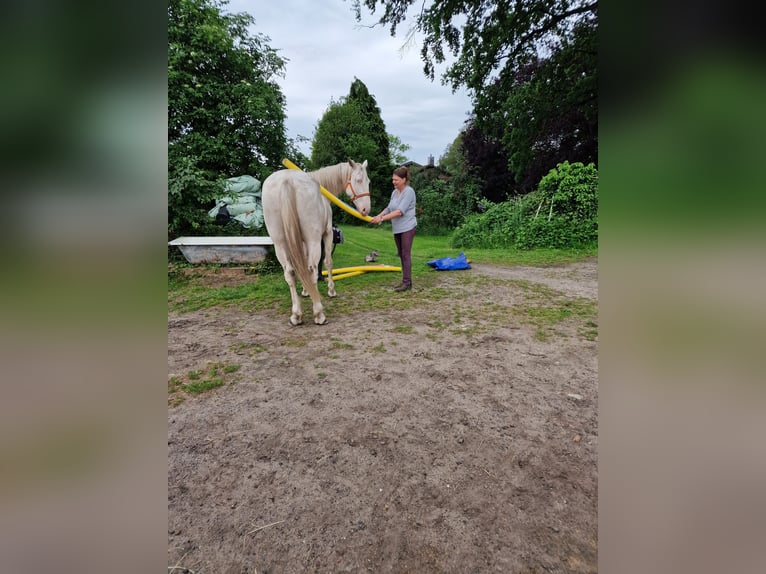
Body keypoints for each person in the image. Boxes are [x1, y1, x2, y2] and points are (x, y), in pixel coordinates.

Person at [370, 166, 417, 292]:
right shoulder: (394, 192)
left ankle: (406, 283)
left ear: (404, 179)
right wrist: (379, 215)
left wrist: (381, 219)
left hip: (408, 227)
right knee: (401, 254)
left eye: (396, 180)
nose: (393, 182)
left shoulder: (409, 192)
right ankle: (406, 281)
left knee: (405, 254)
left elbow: (399, 212)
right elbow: (389, 208)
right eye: (393, 179)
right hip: (397, 228)